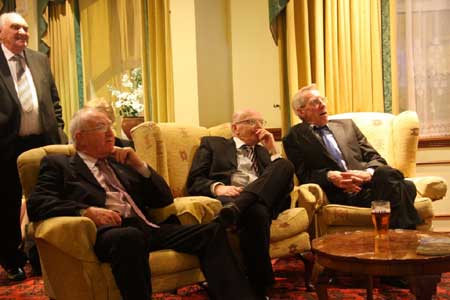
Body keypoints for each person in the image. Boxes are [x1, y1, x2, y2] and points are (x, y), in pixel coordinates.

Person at [26, 107, 262, 300]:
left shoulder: (122, 162)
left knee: (212, 230)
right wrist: (84, 211)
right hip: (108, 233)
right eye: (100, 128)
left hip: (148, 228)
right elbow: (38, 203)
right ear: (80, 137)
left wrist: (140, 165)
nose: (110, 133)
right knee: (129, 237)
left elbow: (164, 199)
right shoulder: (59, 164)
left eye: (110, 125)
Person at [187, 108, 295, 298]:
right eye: (252, 122)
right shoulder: (213, 144)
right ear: (235, 128)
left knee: (284, 165)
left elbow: (284, 183)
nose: (259, 127)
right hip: (234, 197)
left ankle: (240, 206)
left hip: (254, 200)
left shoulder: (264, 152)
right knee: (257, 213)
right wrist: (218, 188)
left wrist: (272, 150)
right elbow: (194, 180)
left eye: (262, 122)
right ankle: (261, 287)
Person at [283, 84, 421, 229]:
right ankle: (407, 233)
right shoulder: (294, 137)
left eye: (322, 100)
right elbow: (304, 175)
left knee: (384, 173)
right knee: (406, 187)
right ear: (301, 111)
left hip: (373, 185)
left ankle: (398, 236)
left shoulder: (347, 125)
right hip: (345, 193)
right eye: (315, 102)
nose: (322, 104)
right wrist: (329, 176)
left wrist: (368, 174)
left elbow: (377, 159)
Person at [0, 12, 67, 281]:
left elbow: (54, 101)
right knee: (6, 204)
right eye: (15, 27)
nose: (23, 32)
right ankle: (12, 260)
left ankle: (43, 257)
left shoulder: (40, 60)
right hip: (6, 146)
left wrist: (58, 132)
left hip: (43, 144)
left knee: (47, 199)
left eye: (26, 28)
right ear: (1, 32)